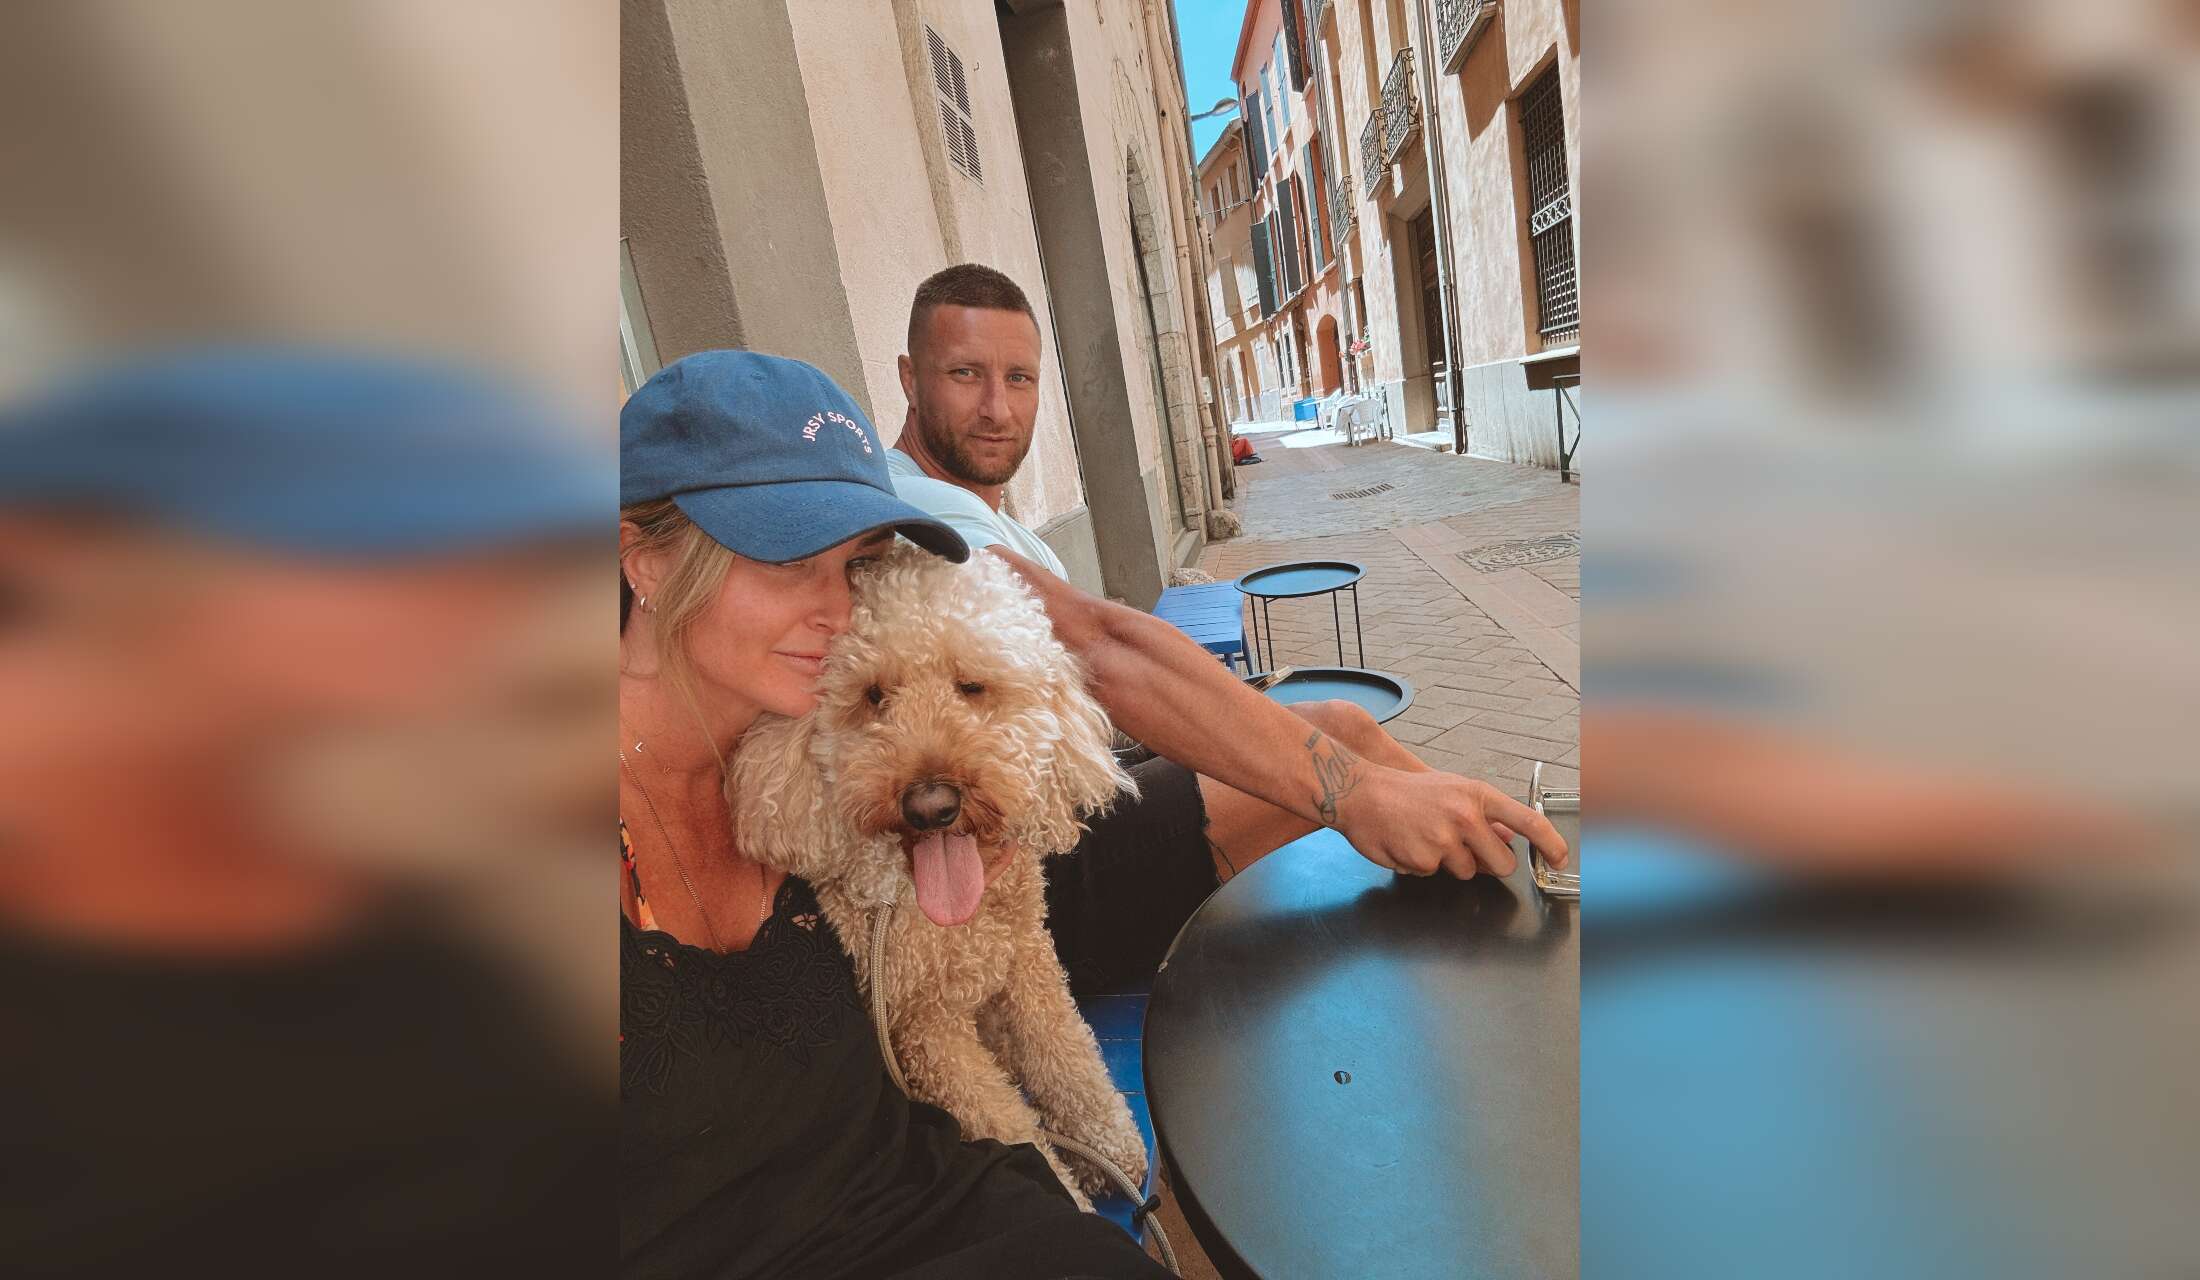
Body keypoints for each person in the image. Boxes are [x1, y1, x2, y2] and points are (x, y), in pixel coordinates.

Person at [618, 349, 1173, 1278]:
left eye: (860, 563)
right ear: (645, 561)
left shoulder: (813, 740)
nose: (840, 610)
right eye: (790, 559)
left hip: (934, 1200)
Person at [886, 264, 1568, 990]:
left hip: (1066, 805)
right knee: (1345, 761)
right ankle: (1534, 905)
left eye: (1018, 378)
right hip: (1028, 877)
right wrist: (1359, 796)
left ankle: (1514, 862)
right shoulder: (915, 513)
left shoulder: (978, 511)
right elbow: (1100, 647)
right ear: (909, 379)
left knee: (1341, 726)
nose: (996, 407)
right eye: (965, 374)